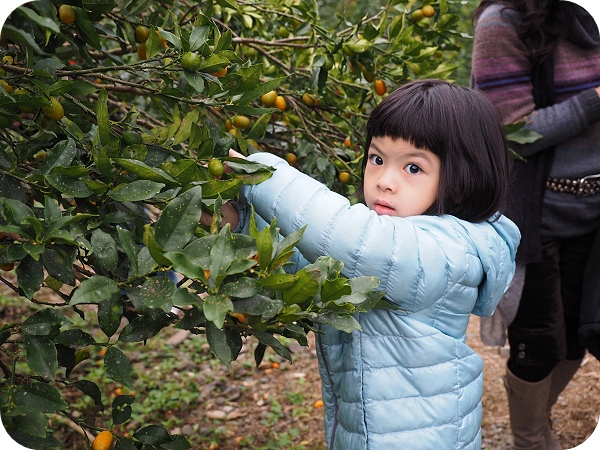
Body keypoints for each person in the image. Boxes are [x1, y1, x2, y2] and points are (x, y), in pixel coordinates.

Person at [214, 79, 520, 449]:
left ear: (459, 182)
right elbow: (310, 269)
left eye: (413, 168)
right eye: (377, 159)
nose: (385, 181)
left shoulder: (446, 248)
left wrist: (259, 172)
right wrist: (241, 226)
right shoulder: (392, 241)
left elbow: (354, 239)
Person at [471, 1, 600, 449]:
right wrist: (595, 100)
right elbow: (509, 130)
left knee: (580, 335)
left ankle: (537, 419)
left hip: (594, 214)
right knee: (539, 342)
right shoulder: (504, 22)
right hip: (534, 217)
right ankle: (529, 437)